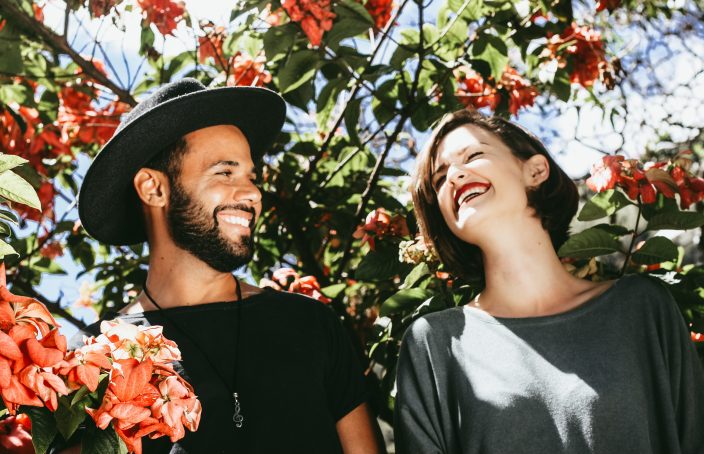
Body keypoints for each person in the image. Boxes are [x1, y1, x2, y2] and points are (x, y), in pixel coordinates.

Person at [73, 78, 383, 453]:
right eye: (225, 172)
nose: (252, 192)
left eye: (252, 176)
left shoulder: (310, 325)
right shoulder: (93, 358)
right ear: (153, 189)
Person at [394, 109, 704, 454]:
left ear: (536, 170)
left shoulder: (642, 307)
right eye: (439, 179)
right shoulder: (437, 343)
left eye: (474, 155)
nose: (454, 176)